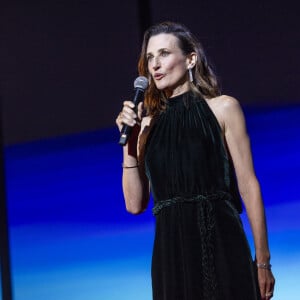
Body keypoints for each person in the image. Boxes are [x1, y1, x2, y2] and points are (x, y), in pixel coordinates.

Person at [116, 21, 275, 300]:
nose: (155, 65)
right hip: (171, 254)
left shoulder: (223, 108)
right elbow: (133, 204)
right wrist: (128, 143)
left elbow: (248, 184)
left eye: (164, 53)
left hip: (221, 243)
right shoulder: (147, 125)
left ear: (190, 58)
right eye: (150, 57)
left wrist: (262, 261)